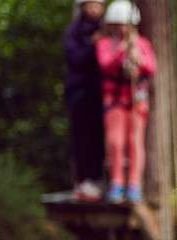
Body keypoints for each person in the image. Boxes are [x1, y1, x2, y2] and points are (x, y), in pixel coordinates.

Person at [96, 0, 157, 203]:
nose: (121, 28)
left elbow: (151, 68)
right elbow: (105, 65)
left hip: (136, 100)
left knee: (135, 142)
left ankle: (134, 185)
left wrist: (137, 57)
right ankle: (116, 182)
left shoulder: (142, 44)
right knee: (115, 142)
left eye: (125, 24)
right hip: (114, 100)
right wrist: (123, 50)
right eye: (117, 24)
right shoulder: (105, 44)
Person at [64, 0, 106, 201]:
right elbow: (75, 59)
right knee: (81, 138)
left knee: (99, 138)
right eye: (91, 5)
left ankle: (98, 179)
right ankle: (82, 181)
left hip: (101, 94)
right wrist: (93, 45)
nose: (95, 9)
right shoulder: (74, 32)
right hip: (79, 93)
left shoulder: (106, 29)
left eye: (98, 5)